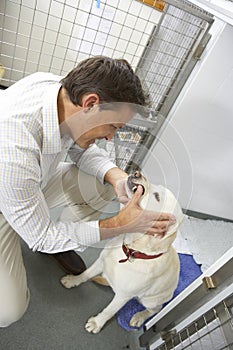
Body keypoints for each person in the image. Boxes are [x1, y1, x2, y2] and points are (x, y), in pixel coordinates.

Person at [0, 56, 176, 327]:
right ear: (91, 104)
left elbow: (80, 148)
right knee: (9, 311)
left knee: (101, 184)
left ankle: (62, 239)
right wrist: (119, 224)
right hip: (5, 201)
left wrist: (116, 177)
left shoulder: (57, 91)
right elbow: (40, 237)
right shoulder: (13, 149)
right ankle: (56, 240)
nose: (110, 138)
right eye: (114, 127)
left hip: (28, 185)